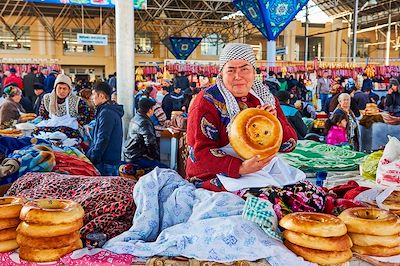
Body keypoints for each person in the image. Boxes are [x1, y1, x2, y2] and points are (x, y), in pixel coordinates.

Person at [186, 43, 298, 192]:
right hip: (215, 175)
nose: (238, 76)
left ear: (254, 72)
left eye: (244, 69)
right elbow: (199, 153)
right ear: (221, 74)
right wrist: (240, 168)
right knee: (266, 200)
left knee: (303, 194)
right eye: (231, 70)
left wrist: (275, 122)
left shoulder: (266, 98)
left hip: (261, 171)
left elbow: (289, 145)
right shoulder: (206, 101)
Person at [87, 82, 124, 176]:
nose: (92, 97)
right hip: (109, 161)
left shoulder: (106, 113)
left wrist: (93, 158)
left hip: (106, 162)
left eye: (94, 94)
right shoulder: (107, 110)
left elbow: (103, 138)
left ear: (102, 96)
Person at [123, 98, 167, 169]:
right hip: (137, 158)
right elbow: (150, 143)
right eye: (153, 109)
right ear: (150, 109)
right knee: (166, 170)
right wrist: (154, 157)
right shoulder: (144, 122)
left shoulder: (136, 117)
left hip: (131, 154)